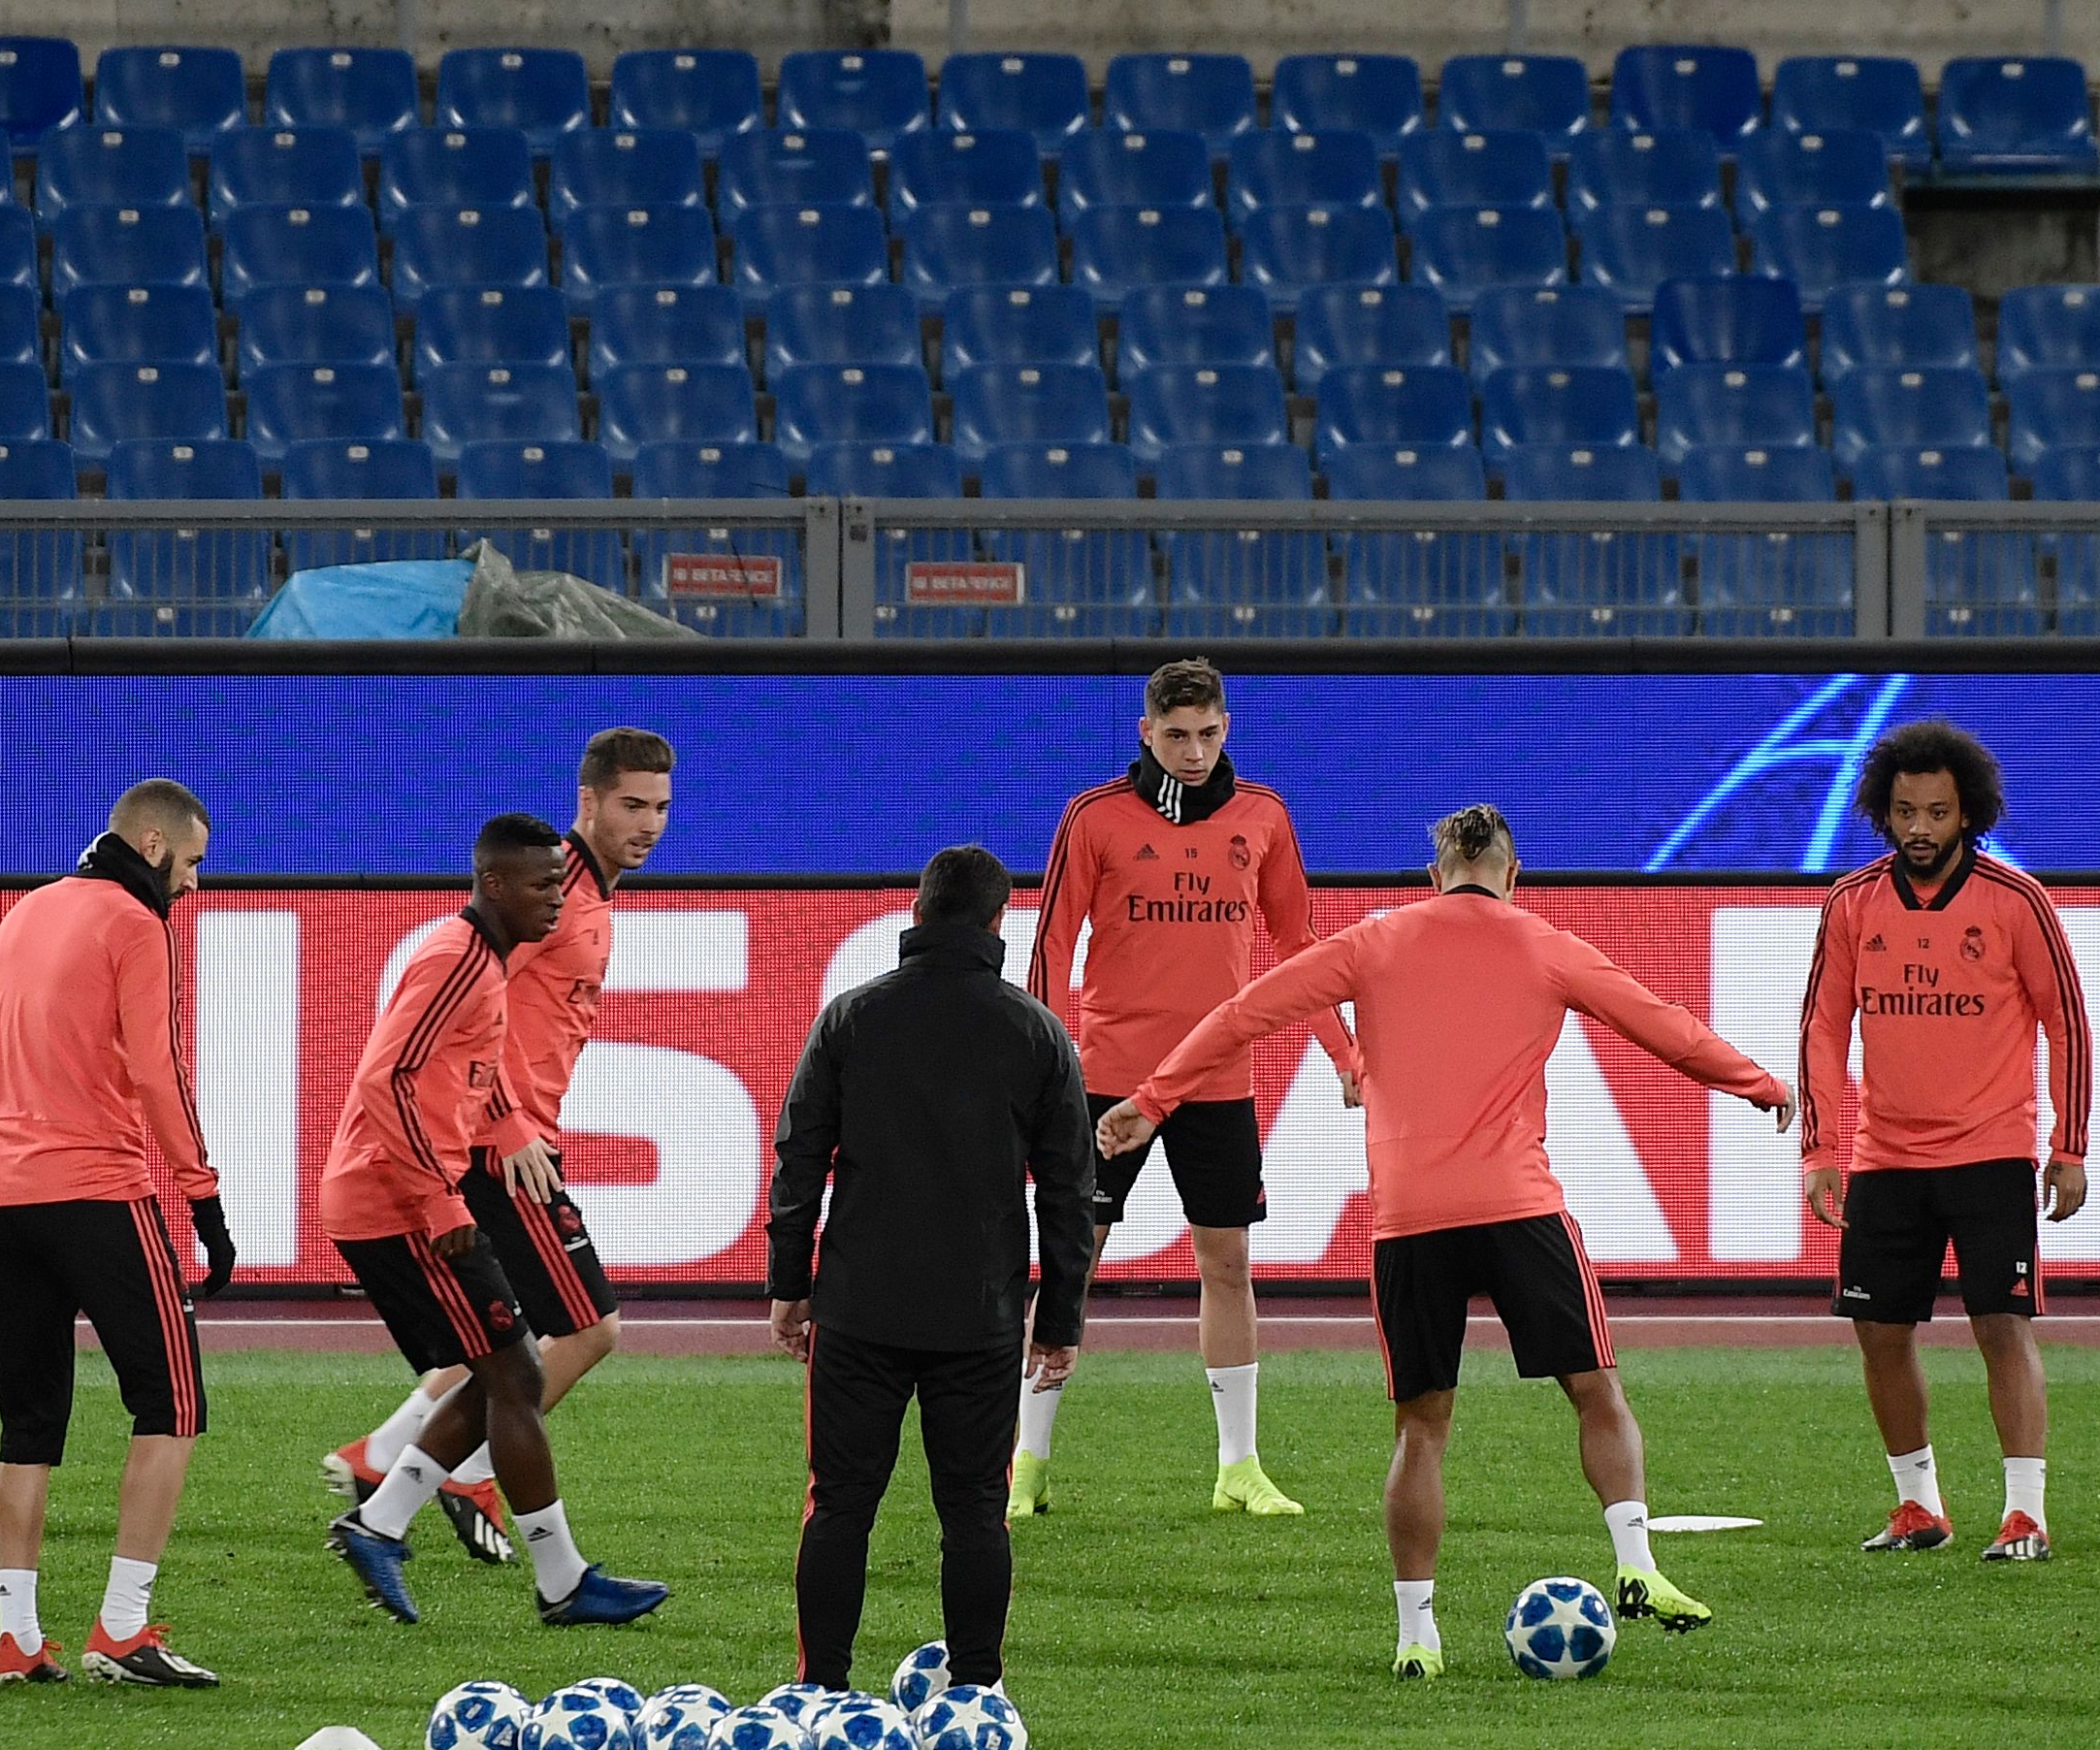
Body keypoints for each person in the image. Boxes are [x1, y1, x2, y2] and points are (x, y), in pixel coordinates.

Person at [1100, 805, 1791, 1674]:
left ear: (1432, 877)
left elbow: (1241, 1014)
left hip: (1411, 1217)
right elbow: (1663, 1027)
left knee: (1420, 1430)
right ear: (1512, 874)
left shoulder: (1373, 942)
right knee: (1596, 1390)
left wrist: (1152, 1099)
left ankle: (1416, 1635)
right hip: (1517, 1206)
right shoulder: (1545, 944)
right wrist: (1757, 1083)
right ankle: (1637, 1563)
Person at [1020, 658, 1362, 1523]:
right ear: (1145, 733)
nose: (1194, 750)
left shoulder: (1265, 817)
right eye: (1176, 735)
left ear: (1226, 727)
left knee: (1228, 1260)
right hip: (1105, 1076)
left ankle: (1238, 1466)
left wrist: (1342, 1051)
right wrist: (1041, 1060)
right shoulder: (1093, 816)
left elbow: (1301, 945)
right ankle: (1025, 1461)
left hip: (1219, 1077)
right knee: (1073, 1261)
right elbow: (1052, 944)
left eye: (1208, 733)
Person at [328, 726, 676, 1564]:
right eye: (631, 804)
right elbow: (468, 1000)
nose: (650, 823)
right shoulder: (551, 897)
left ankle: (383, 1467)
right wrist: (509, 1116)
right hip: (499, 1148)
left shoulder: (585, 895)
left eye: (661, 806)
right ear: (586, 801)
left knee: (501, 1345)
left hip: (510, 1139)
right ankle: (463, 1471)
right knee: (583, 1331)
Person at [766, 844, 1094, 1696]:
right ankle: (977, 1694)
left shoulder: (850, 1017)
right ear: (998, 922)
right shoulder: (1035, 1031)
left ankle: (820, 1690)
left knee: (838, 1504)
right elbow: (1069, 1193)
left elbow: (799, 1157)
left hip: (858, 1308)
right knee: (974, 1513)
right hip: (978, 1317)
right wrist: (1058, 1321)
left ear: (915, 914)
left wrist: (788, 1284)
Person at [1797, 719, 2091, 1565]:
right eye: (1903, 811)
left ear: (1968, 814)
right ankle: (1917, 1504)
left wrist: (2068, 1144)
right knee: (1879, 1331)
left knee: (2000, 1322)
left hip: (1992, 1148)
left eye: (1935, 811)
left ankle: (2025, 1513)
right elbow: (1822, 1027)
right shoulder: (1851, 903)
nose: (1918, 827)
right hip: (1883, 1155)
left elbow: (2066, 1022)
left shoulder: (2015, 901)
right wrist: (1820, 1151)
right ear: (1881, 814)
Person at [0, 779, 235, 1689]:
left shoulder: (25, 912)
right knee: (175, 1401)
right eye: (194, 862)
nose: (195, 885)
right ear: (153, 845)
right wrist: (202, 1196)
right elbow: (157, 1069)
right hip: (99, 1190)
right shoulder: (135, 923)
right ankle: (123, 1627)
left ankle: (17, 1639)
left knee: (30, 1421)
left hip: (7, 1192)